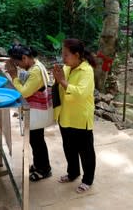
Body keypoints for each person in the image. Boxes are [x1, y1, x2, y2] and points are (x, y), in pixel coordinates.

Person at [53, 38, 96, 194]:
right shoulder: (67, 67)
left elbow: (80, 94)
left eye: (66, 55)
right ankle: (73, 173)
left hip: (80, 117)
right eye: (62, 54)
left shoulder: (87, 71)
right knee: (69, 148)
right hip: (65, 116)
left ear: (77, 55)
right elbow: (60, 87)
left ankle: (88, 179)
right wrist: (57, 79)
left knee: (85, 151)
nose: (63, 58)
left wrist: (62, 81)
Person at [5, 44, 52, 182]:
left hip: (36, 112)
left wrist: (13, 76)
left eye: (17, 62)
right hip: (35, 111)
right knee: (35, 140)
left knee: (37, 141)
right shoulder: (34, 64)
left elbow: (24, 92)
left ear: (24, 58)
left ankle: (44, 169)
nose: (17, 66)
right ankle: (39, 164)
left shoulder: (36, 71)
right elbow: (25, 84)